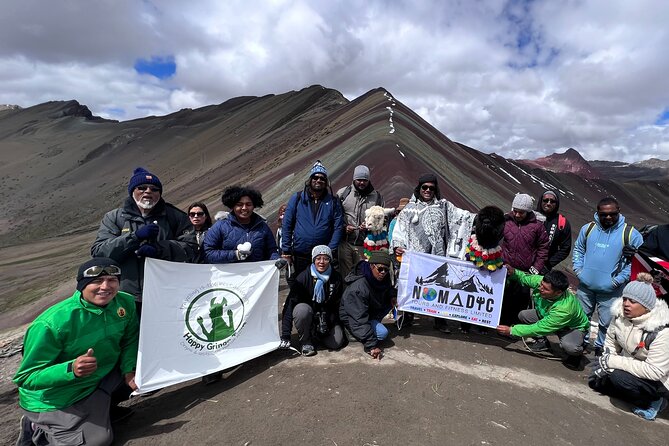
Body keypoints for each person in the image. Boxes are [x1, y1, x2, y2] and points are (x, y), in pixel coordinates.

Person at [14, 258, 139, 446]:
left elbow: (130, 340)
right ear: (82, 285)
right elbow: (25, 377)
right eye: (97, 281)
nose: (105, 286)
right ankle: (35, 427)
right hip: (56, 398)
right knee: (99, 441)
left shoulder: (125, 302)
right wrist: (70, 369)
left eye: (112, 280)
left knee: (150, 375)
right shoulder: (52, 324)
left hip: (98, 377)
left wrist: (130, 369)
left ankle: (102, 410)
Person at [91, 167, 197, 313]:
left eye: (154, 189)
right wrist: (135, 237)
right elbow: (100, 252)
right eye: (142, 188)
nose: (148, 191)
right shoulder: (114, 217)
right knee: (129, 335)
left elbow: (191, 248)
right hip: (124, 296)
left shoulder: (175, 216)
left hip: (166, 293)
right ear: (132, 191)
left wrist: (159, 250)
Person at [390, 173, 476, 333]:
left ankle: (440, 320)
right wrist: (398, 246)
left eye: (431, 188)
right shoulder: (409, 209)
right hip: (415, 256)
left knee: (439, 286)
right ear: (419, 188)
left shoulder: (444, 206)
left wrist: (484, 217)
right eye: (425, 187)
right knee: (411, 285)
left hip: (437, 255)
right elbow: (398, 230)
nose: (428, 190)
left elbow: (462, 216)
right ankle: (407, 316)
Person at [588, 273, 669, 420]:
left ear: (646, 307)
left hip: (659, 380)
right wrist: (606, 364)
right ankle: (629, 392)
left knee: (619, 378)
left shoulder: (662, 331)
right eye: (625, 299)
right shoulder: (619, 316)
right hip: (633, 368)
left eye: (632, 301)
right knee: (595, 382)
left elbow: (655, 371)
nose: (626, 304)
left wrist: (613, 363)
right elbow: (610, 343)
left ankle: (655, 401)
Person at [573, 196, 643, 356]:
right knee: (580, 319)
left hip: (612, 290)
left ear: (619, 211)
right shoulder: (588, 229)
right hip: (585, 287)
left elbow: (638, 262)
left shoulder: (631, 234)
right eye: (604, 214)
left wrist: (617, 281)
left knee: (608, 323)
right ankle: (578, 349)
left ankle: (601, 353)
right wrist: (579, 271)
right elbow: (578, 249)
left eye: (612, 213)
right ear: (598, 213)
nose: (608, 217)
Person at [496, 265, 589, 370]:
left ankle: (577, 353)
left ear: (559, 292)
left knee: (570, 347)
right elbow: (524, 278)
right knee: (523, 315)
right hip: (546, 315)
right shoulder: (543, 282)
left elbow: (540, 327)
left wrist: (512, 330)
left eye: (545, 289)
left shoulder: (564, 309)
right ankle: (542, 342)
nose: (540, 289)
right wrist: (514, 272)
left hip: (570, 328)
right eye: (541, 285)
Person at [281, 160, 344, 280]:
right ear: (310, 180)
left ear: (326, 182)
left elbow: (338, 227)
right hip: (301, 254)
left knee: (322, 285)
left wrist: (330, 249)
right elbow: (287, 224)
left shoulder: (333, 202)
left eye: (322, 178)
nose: (318, 180)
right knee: (301, 285)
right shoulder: (297, 198)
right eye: (315, 177)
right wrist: (286, 251)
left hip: (323, 256)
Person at [279, 245, 346, 356]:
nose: (321, 262)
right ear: (313, 260)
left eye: (325, 258)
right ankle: (306, 341)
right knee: (301, 310)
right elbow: (289, 305)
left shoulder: (336, 277)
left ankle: (318, 335)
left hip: (327, 318)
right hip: (309, 314)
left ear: (330, 260)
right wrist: (286, 335)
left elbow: (339, 305)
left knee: (336, 343)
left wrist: (330, 321)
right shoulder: (303, 277)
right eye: (318, 258)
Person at [499, 193, 549, 325]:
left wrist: (536, 267)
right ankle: (500, 324)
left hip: (525, 271)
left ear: (528, 211)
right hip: (505, 268)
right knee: (503, 298)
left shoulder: (537, 226)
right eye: (515, 211)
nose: (517, 215)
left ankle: (514, 327)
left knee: (520, 300)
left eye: (521, 212)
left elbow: (543, 248)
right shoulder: (506, 221)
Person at [339, 251, 397, 360]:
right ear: (371, 266)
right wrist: (371, 345)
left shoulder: (383, 278)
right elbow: (358, 318)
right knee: (383, 333)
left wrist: (392, 296)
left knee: (390, 301)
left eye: (386, 269)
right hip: (352, 316)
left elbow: (388, 288)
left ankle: (367, 328)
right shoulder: (359, 287)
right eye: (380, 269)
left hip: (368, 310)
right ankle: (350, 330)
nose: (383, 272)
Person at [204, 185, 279, 263]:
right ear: (232, 206)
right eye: (239, 205)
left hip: (257, 274)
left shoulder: (262, 226)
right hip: (229, 274)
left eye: (248, 204)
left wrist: (277, 260)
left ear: (254, 206)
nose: (244, 208)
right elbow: (208, 253)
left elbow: (271, 250)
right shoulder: (220, 226)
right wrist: (235, 255)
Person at [336, 165, 385, 278]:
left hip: (365, 245)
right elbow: (335, 216)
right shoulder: (343, 194)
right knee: (346, 277)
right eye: (359, 180)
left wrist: (370, 227)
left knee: (363, 276)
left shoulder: (377, 197)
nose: (362, 183)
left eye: (365, 180)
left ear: (369, 180)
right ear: (353, 179)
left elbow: (382, 221)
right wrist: (344, 227)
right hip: (345, 244)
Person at [534, 190, 572, 273]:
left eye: (552, 201)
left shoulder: (562, 223)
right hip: (521, 263)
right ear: (541, 201)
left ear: (556, 204)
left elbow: (565, 248)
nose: (548, 203)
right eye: (545, 200)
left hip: (542, 269)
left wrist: (549, 264)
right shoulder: (530, 216)